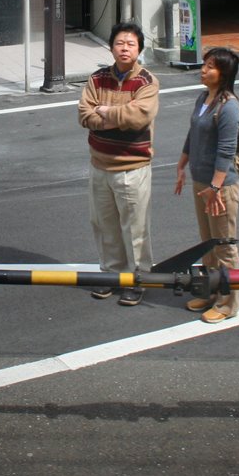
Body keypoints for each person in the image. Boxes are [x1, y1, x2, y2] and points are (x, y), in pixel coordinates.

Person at [78, 21, 160, 306]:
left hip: (132, 167)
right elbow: (84, 115)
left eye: (131, 44)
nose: (124, 48)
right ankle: (110, 276)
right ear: (111, 46)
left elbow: (138, 118)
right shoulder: (97, 78)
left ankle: (138, 280)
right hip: (99, 165)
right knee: (105, 225)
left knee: (135, 229)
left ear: (139, 49)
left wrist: (105, 112)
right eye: (119, 43)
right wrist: (118, 116)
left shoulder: (147, 82)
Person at [174, 47, 239, 324]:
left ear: (223, 73)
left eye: (210, 66)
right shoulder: (204, 98)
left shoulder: (229, 106)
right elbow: (193, 134)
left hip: (220, 188)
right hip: (201, 182)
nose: (203, 69)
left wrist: (215, 188)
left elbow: (226, 151)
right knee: (207, 245)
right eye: (204, 64)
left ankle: (228, 304)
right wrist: (181, 166)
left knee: (224, 246)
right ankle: (211, 291)